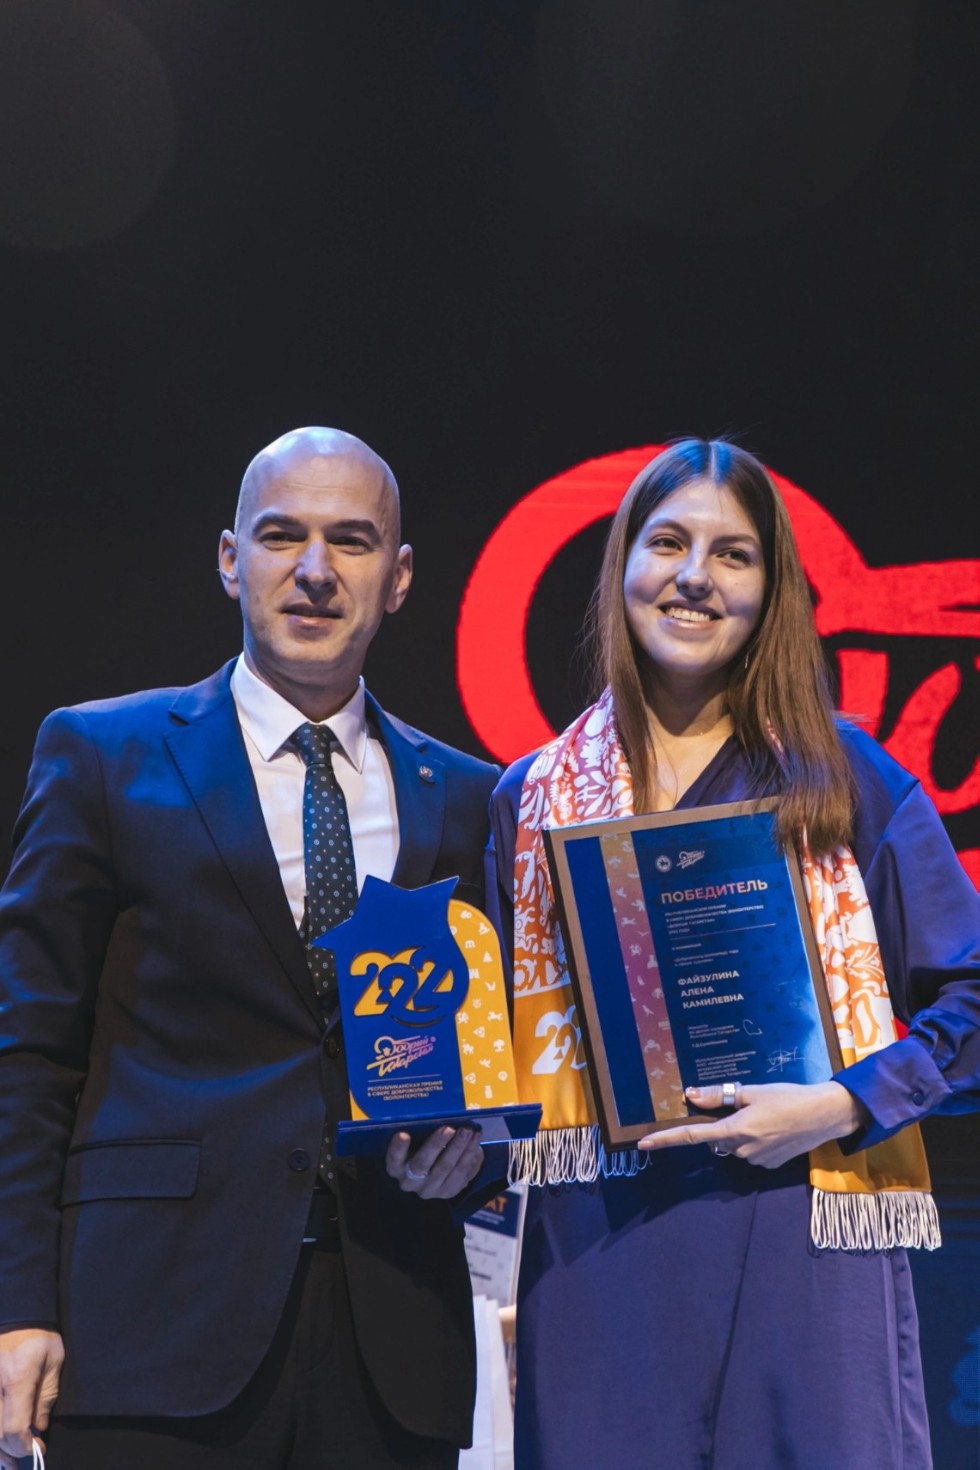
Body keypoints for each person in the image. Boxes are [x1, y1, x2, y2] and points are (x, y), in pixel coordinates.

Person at [0, 426, 501, 1469]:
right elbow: (28, 1052)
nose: (314, 570)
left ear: (400, 577)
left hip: (390, 1339)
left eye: (351, 541)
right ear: (231, 559)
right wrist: (16, 1307)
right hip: (148, 1327)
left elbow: (490, 1064)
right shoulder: (103, 754)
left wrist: (469, 1156)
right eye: (282, 536)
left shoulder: (465, 796)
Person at [489, 438, 980, 1470]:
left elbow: (971, 999)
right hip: (601, 1254)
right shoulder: (531, 798)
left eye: (732, 554)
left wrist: (840, 1103)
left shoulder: (846, 779)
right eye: (668, 543)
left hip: (804, 1234)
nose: (694, 578)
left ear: (771, 588)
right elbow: (493, 1059)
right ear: (623, 563)